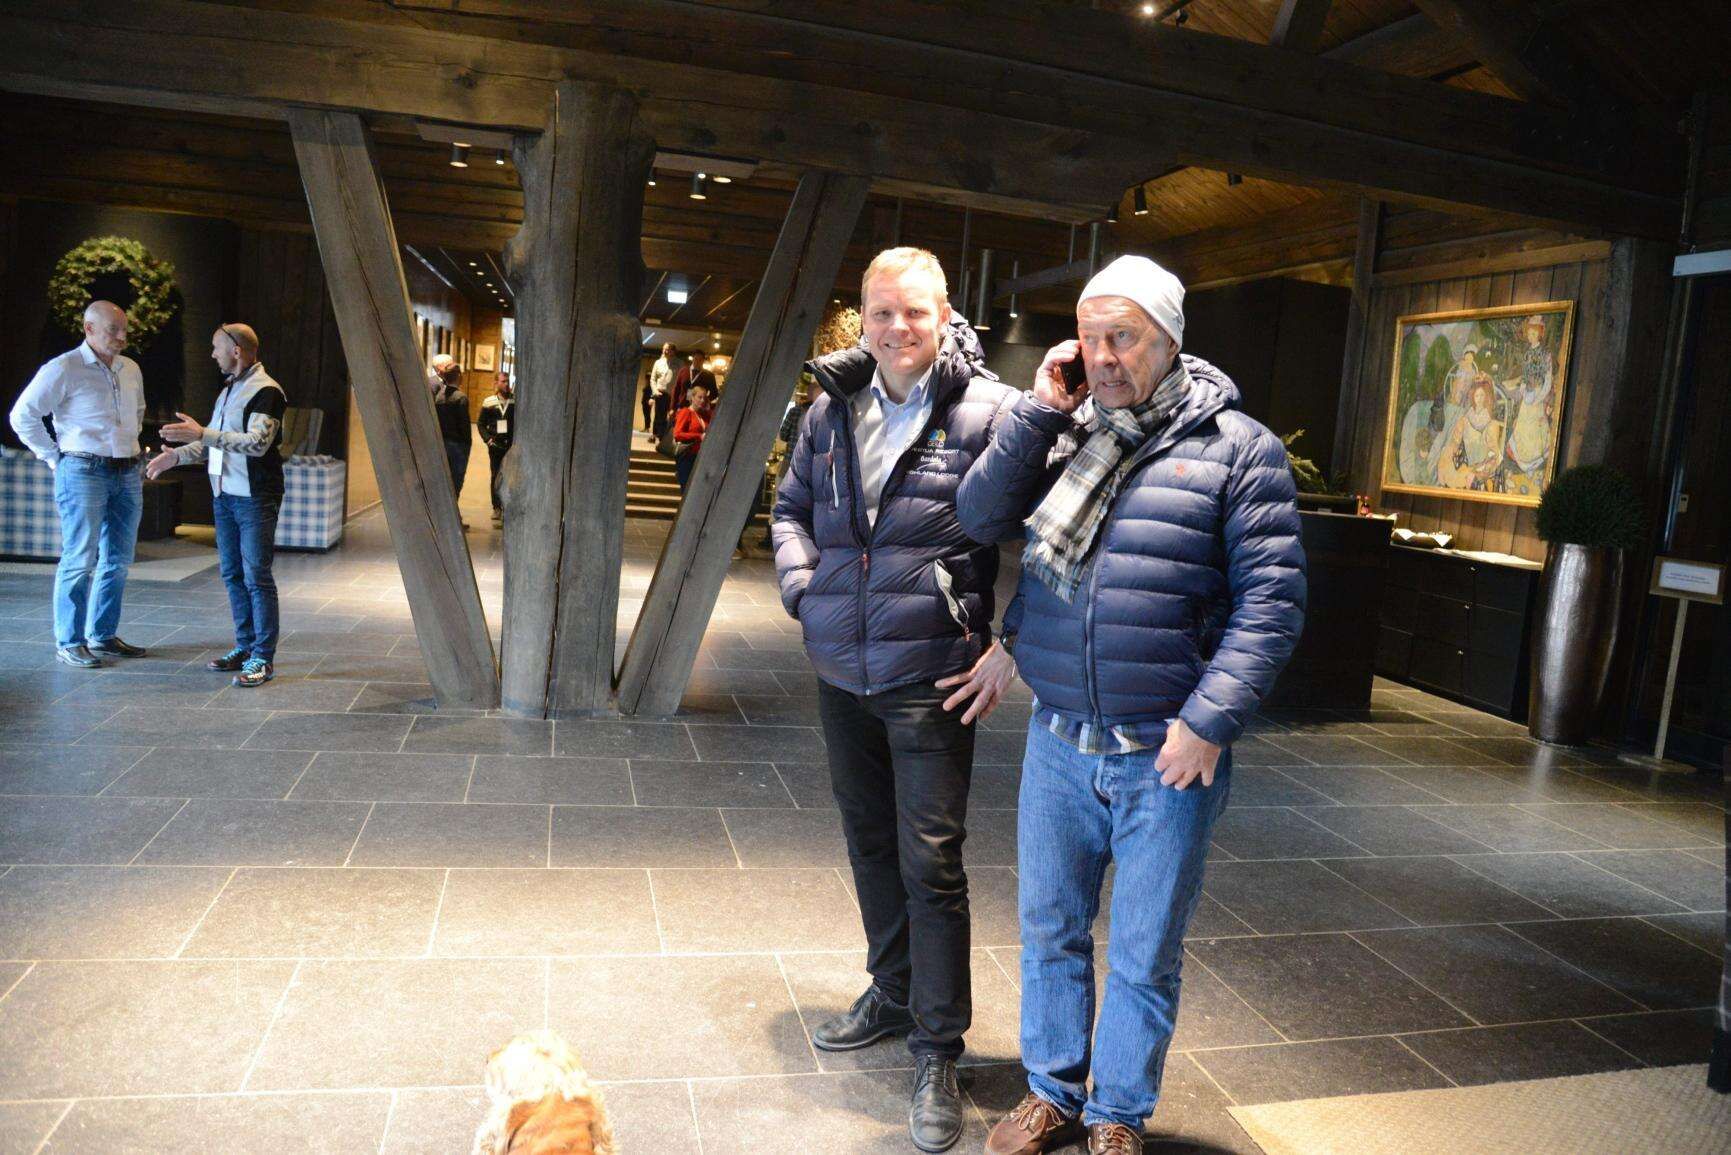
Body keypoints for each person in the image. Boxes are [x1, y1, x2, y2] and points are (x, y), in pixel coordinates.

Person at [958, 256, 1305, 1155]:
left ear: (1170, 339)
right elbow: (986, 519)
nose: (1104, 356)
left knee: (1144, 949)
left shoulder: (1239, 449)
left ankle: (1115, 1111)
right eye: (1091, 337)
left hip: (1165, 751)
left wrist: (1209, 720)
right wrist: (1039, 409)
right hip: (1057, 739)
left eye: (1124, 337)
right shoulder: (1071, 432)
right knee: (1049, 931)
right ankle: (1051, 1091)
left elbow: (1272, 603)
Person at [771, 247, 1020, 1154]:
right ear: (862, 319)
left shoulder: (990, 412)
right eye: (881, 312)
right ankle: (892, 986)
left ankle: (937, 1047)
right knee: (868, 841)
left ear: (944, 314)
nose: (897, 328)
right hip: (843, 668)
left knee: (932, 863)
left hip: (931, 675)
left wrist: (1011, 643)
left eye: (914, 311)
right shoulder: (829, 408)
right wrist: (807, 592)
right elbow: (790, 511)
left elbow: (1058, 531)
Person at [8, 300, 150, 668]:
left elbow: (137, 413)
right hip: (83, 470)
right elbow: (22, 415)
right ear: (89, 329)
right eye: (113, 330)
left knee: (118, 559)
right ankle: (70, 641)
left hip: (126, 471)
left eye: (125, 329)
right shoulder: (64, 367)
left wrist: (131, 448)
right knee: (80, 557)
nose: (122, 337)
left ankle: (102, 635)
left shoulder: (130, 368)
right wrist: (54, 457)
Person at [146, 323, 286, 687]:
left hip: (255, 497)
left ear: (236, 350)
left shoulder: (267, 391)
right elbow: (214, 443)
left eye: (216, 347)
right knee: (233, 574)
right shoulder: (227, 391)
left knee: (257, 577)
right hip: (224, 497)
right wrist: (175, 457)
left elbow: (257, 444)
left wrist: (202, 433)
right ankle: (245, 646)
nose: (212, 354)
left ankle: (263, 657)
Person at [429, 353, 472, 504]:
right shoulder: (460, 397)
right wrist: (467, 444)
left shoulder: (439, 396)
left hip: (443, 442)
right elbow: (464, 426)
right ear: (458, 376)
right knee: (456, 481)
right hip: (458, 445)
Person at [478, 372, 514, 523]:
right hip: (495, 446)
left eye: (507, 381)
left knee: (510, 476)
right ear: (496, 383)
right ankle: (496, 507)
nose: (506, 384)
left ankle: (508, 507)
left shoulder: (515, 401)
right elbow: (481, 423)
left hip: (511, 446)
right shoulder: (489, 402)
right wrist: (488, 440)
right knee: (495, 475)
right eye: (503, 381)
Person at [670, 382, 709, 492]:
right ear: (692, 397)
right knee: (687, 489)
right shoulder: (686, 412)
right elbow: (677, 434)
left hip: (698, 456)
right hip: (687, 456)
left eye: (704, 398)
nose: (702, 400)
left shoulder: (702, 415)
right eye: (699, 397)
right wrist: (699, 436)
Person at [647, 342, 677, 437]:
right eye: (664, 349)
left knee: (670, 417)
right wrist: (655, 391)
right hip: (660, 393)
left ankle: (664, 436)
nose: (664, 351)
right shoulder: (658, 362)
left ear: (673, 351)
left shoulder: (679, 363)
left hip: (672, 395)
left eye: (667, 349)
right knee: (659, 416)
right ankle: (657, 436)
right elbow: (652, 379)